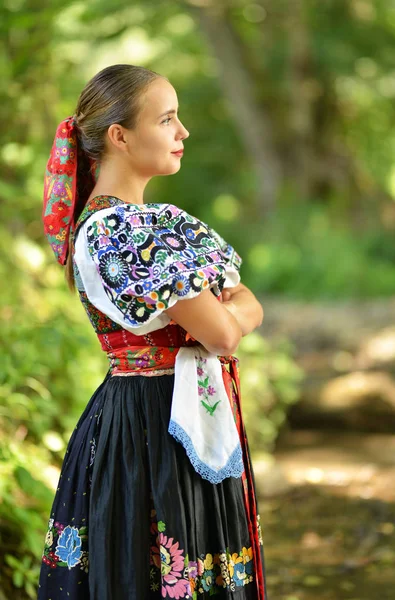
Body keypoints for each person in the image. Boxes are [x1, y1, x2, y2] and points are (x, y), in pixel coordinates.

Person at [38, 63, 267, 600]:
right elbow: (225, 332)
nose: (182, 132)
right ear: (119, 136)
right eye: (167, 119)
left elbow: (240, 306)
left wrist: (231, 314)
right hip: (148, 421)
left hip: (181, 407)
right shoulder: (117, 230)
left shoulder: (156, 223)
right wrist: (230, 316)